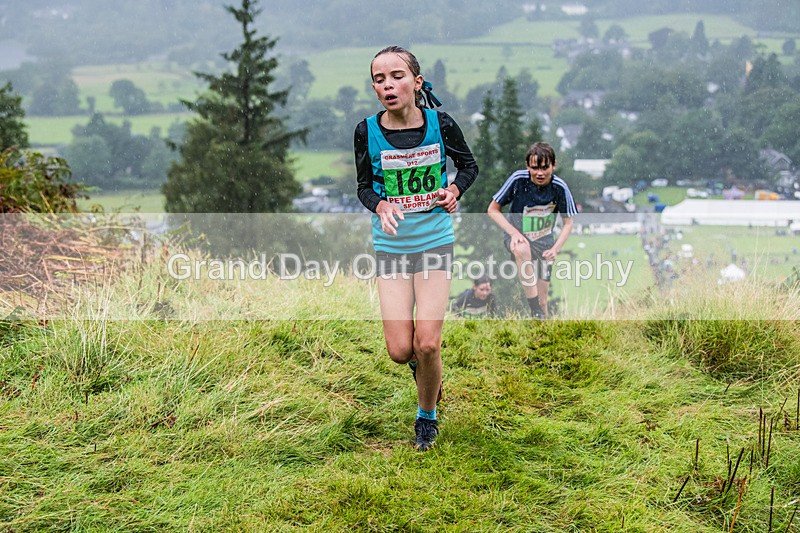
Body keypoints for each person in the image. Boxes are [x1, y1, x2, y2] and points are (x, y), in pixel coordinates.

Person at [354, 46, 478, 451]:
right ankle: (424, 371)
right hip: (390, 247)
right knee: (400, 349)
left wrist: (454, 190)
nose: (388, 84)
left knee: (428, 342)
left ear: (417, 82)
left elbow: (469, 166)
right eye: (379, 79)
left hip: (434, 243)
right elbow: (363, 187)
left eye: (397, 76)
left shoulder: (440, 124)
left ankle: (427, 417)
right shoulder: (366, 130)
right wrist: (382, 203)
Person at [487, 142, 576, 318]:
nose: (540, 173)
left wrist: (555, 249)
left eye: (545, 168)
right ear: (528, 165)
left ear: (553, 165)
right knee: (522, 248)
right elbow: (492, 209)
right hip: (517, 238)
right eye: (535, 168)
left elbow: (568, 223)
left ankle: (542, 333)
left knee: (543, 301)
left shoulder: (560, 187)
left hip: (545, 244)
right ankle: (533, 307)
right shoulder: (518, 180)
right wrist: (513, 233)